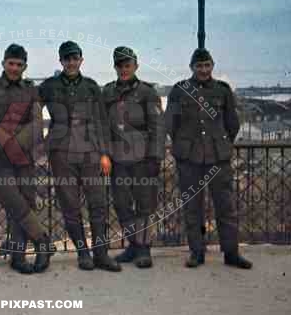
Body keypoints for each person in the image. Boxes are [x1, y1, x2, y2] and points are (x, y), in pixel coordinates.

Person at [165, 48, 252, 269]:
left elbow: (232, 123)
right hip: (189, 160)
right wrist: (185, 145)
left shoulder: (222, 91)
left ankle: (231, 253)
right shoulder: (180, 90)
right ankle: (197, 253)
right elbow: (170, 124)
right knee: (192, 208)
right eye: (199, 66)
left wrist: (220, 143)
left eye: (207, 65)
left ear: (212, 66)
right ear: (192, 67)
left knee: (226, 206)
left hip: (218, 159)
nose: (203, 70)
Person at [39, 41, 120, 272]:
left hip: (90, 152)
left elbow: (102, 121)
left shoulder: (92, 87)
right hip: (62, 153)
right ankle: (83, 253)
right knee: (70, 205)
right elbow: (32, 108)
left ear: (81, 60)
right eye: (67, 59)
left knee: (98, 204)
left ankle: (101, 254)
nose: (71, 62)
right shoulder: (49, 86)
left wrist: (105, 153)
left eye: (75, 58)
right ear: (61, 61)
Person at [0, 43, 54, 274]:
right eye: (11, 63)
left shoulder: (31, 90)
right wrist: (8, 143)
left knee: (26, 201)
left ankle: (18, 257)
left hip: (23, 156)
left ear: (25, 67)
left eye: (19, 65)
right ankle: (42, 241)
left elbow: (36, 123)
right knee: (15, 201)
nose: (14, 68)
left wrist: (15, 144)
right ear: (3, 63)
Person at [102, 46, 165, 268]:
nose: (123, 69)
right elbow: (102, 126)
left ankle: (144, 250)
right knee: (121, 205)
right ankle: (133, 245)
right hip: (118, 160)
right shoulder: (107, 93)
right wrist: (105, 153)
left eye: (127, 65)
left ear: (136, 66)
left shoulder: (148, 93)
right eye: (119, 65)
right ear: (115, 67)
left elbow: (158, 127)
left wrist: (155, 158)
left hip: (143, 160)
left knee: (144, 205)